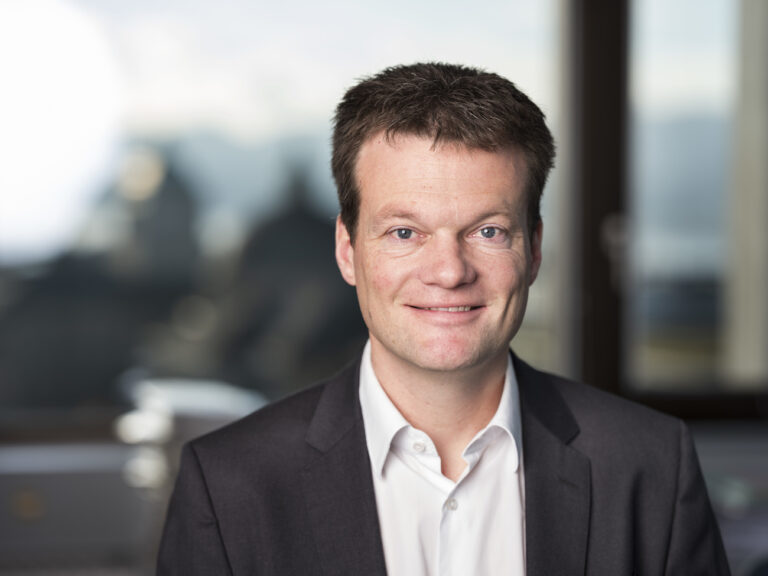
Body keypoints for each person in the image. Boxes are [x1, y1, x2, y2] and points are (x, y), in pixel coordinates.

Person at [157, 63, 730, 575]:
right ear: (347, 250)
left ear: (532, 251)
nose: (450, 272)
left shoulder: (650, 466)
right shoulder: (229, 486)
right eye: (405, 233)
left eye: (487, 232)